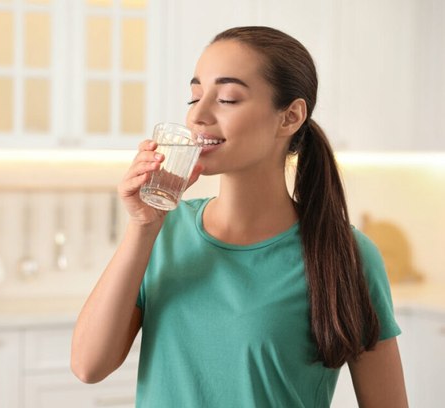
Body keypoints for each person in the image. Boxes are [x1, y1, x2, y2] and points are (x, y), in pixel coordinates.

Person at [71, 26, 408, 407]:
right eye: (194, 96)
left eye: (228, 99)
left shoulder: (347, 255)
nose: (197, 115)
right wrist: (143, 227)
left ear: (290, 117)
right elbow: (88, 366)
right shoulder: (162, 233)